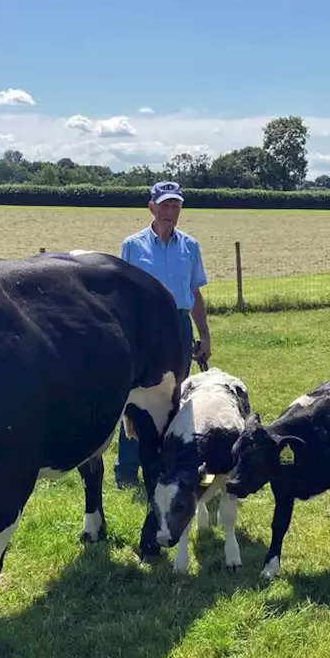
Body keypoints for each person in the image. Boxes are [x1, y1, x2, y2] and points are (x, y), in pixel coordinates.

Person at [114, 179, 212, 488]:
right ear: (151, 207)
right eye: (165, 205)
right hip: (143, 328)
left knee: (175, 396)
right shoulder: (133, 246)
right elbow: (122, 294)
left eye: (176, 205)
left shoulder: (190, 246)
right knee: (135, 396)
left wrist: (204, 335)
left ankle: (166, 463)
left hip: (179, 326)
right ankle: (127, 471)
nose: (170, 211)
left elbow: (194, 293)